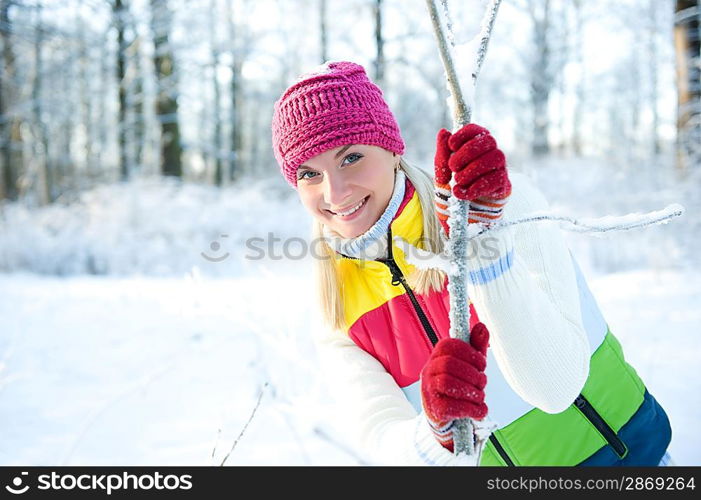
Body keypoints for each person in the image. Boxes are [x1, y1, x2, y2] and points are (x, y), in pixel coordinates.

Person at [270, 60, 673, 466]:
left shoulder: (496, 205)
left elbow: (556, 386)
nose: (335, 192)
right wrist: (434, 434)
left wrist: (481, 243)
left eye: (351, 157)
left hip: (627, 458)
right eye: (308, 173)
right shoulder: (336, 305)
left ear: (393, 149)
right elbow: (382, 440)